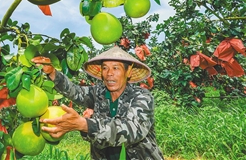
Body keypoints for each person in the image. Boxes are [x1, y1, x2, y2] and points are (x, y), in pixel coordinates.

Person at [32, 46, 164, 160]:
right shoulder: (98, 92)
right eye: (105, 68)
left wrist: (85, 125)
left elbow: (131, 130)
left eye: (116, 68)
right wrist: (53, 73)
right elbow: (75, 91)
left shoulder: (142, 96)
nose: (109, 74)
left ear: (128, 71)